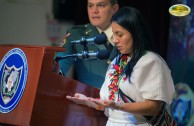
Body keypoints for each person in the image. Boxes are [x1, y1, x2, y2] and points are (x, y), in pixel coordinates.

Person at [66, 7, 175, 125]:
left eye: (120, 34)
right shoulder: (116, 61)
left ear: (135, 33)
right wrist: (88, 101)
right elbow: (109, 105)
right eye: (114, 34)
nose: (115, 40)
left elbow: (153, 108)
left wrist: (118, 106)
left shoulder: (150, 61)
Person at [55, 0, 119, 88]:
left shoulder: (129, 35)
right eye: (90, 6)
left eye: (101, 5)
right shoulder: (76, 35)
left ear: (114, 9)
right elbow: (58, 67)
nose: (94, 11)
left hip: (125, 101)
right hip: (91, 99)